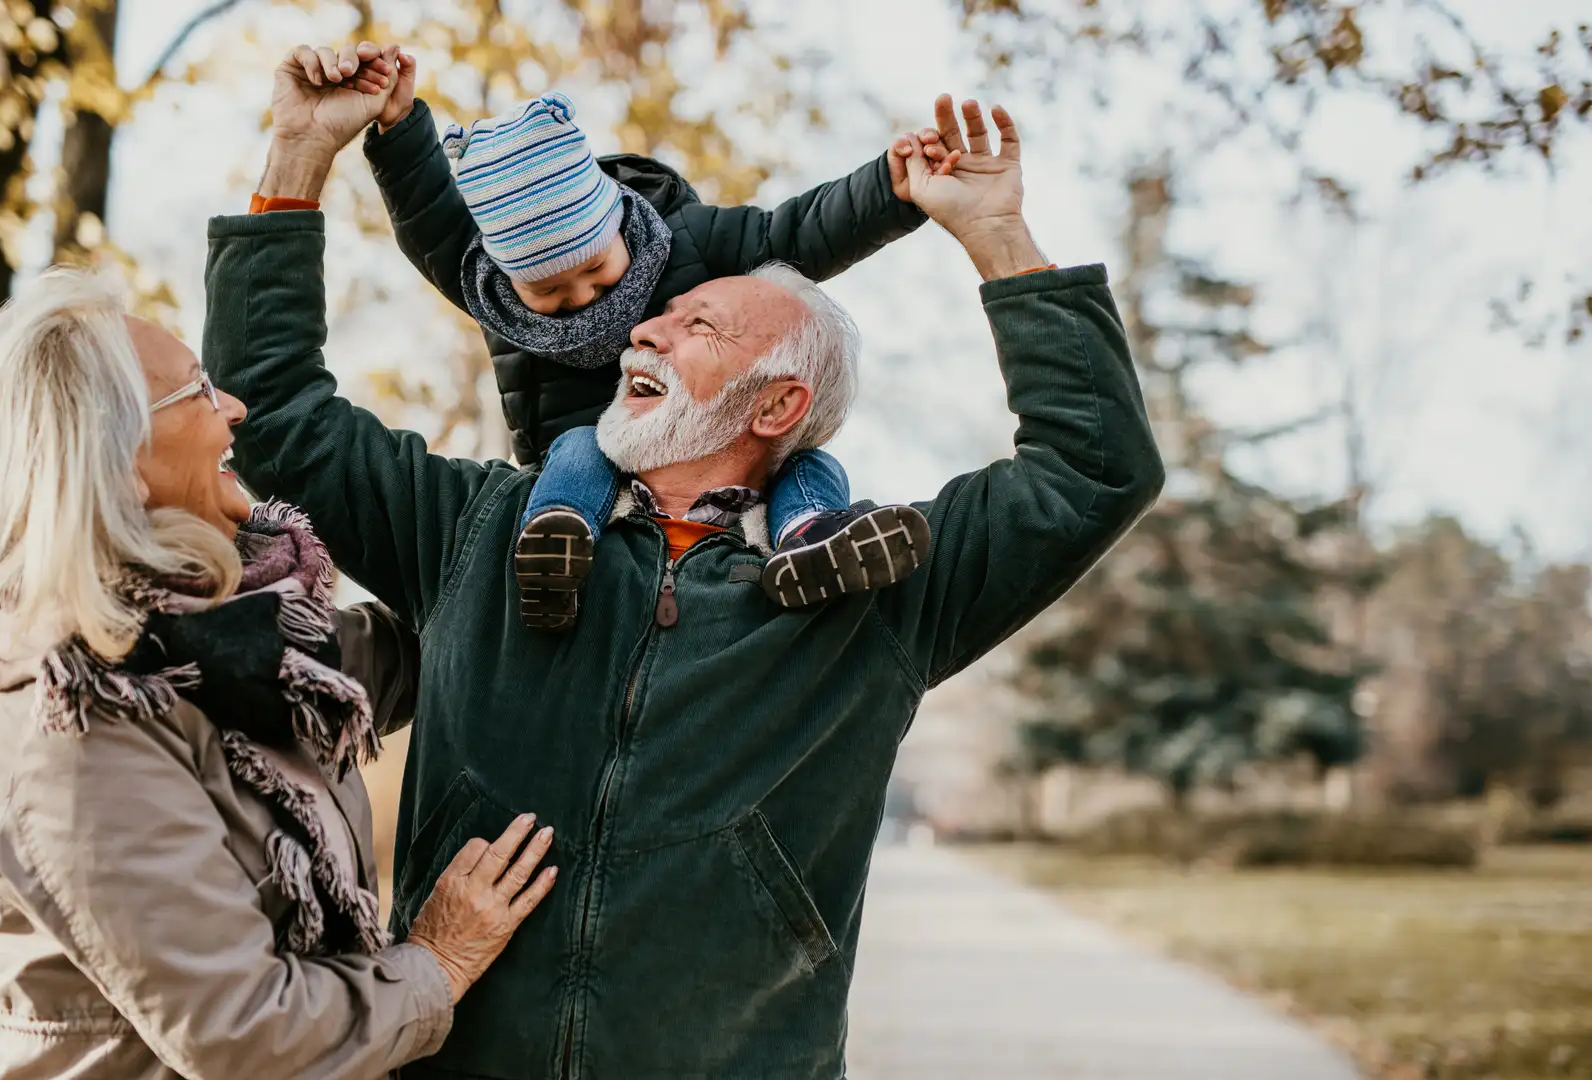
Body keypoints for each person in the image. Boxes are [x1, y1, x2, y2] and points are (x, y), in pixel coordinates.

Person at [212, 40, 1165, 1080]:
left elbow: (1094, 470)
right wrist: (300, 155)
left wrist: (996, 232)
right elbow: (281, 413)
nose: (639, 337)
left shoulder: (876, 591)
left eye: (694, 320)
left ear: (780, 403)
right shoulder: (478, 534)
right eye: (653, 319)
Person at [0, 270, 559, 1080]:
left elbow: (410, 653)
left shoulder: (218, 650)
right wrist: (439, 963)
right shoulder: (86, 735)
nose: (232, 410)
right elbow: (247, 1038)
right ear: (120, 463)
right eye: (196, 391)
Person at [359, 51, 948, 628]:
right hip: (582, 475)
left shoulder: (688, 240)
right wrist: (398, 128)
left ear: (617, 220)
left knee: (806, 462)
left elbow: (797, 232)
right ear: (505, 276)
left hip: (706, 463)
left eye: (595, 270)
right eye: (550, 290)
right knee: (576, 449)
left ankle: (810, 538)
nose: (581, 296)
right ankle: (554, 546)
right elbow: (430, 220)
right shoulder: (495, 297)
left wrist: (889, 191)